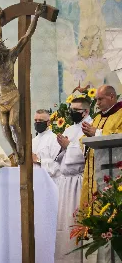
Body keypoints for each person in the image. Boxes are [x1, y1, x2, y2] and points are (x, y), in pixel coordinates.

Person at [0, 3, 46, 165]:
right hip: (2, 96)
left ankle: (21, 148)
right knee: (4, 127)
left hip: (13, 94)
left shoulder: (10, 56)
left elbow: (26, 37)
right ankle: (15, 151)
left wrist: (36, 16)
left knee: (13, 124)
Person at [54, 98, 92, 263]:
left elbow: (85, 154)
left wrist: (69, 145)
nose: (71, 113)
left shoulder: (90, 127)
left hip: (79, 182)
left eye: (76, 110)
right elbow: (60, 158)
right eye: (70, 109)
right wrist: (63, 147)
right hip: (66, 183)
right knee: (64, 223)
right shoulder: (69, 128)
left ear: (86, 111)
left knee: (75, 221)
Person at [80, 85, 122, 208]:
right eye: (96, 100)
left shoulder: (120, 114)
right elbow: (84, 140)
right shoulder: (97, 117)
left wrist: (96, 133)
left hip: (114, 168)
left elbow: (119, 136)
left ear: (112, 97)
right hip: (93, 168)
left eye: (100, 99)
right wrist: (86, 138)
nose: (97, 103)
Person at [31, 109, 60, 181]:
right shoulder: (33, 141)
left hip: (49, 181)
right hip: (34, 180)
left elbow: (57, 165)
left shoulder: (54, 139)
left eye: (40, 121)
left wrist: (38, 160)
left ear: (48, 122)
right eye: (36, 120)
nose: (37, 123)